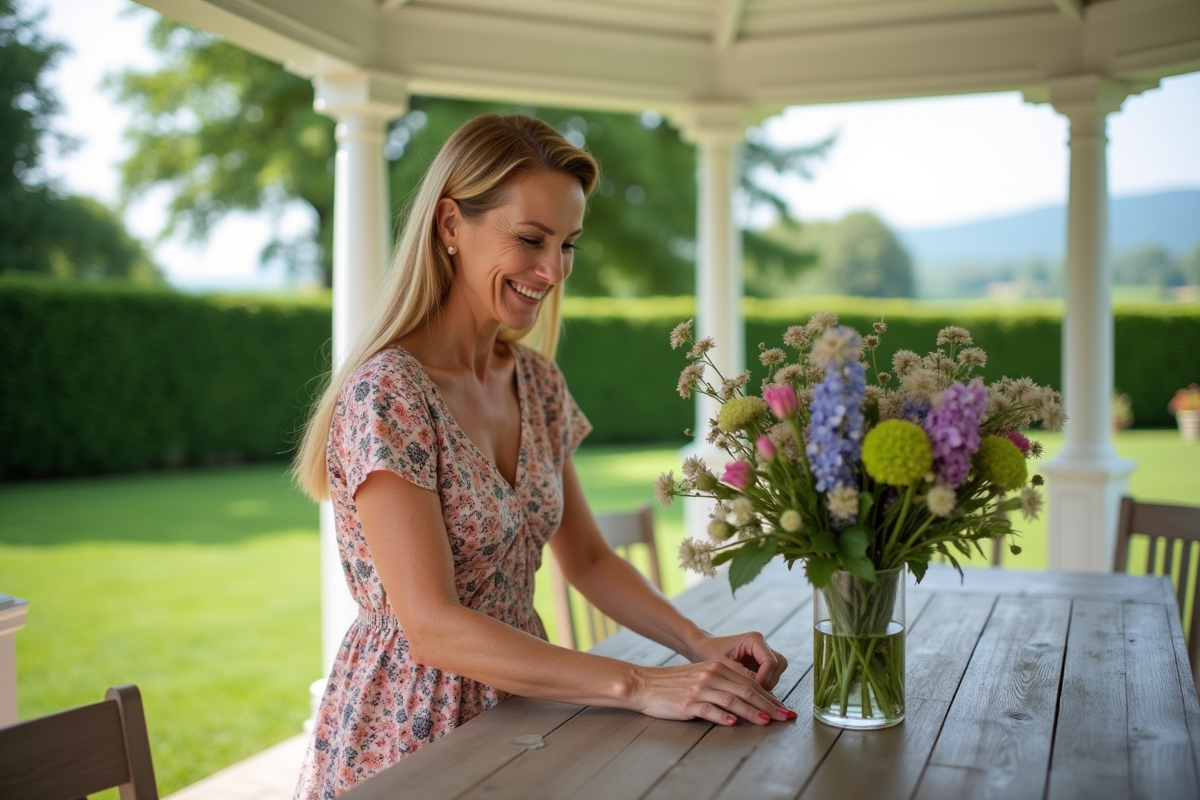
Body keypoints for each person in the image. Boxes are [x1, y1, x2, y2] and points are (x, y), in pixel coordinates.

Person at [291, 113, 793, 798]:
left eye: (566, 245)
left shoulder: (536, 381)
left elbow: (585, 558)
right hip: (411, 732)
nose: (553, 270)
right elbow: (432, 627)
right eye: (530, 239)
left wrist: (696, 644)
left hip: (527, 708)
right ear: (448, 227)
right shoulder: (389, 394)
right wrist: (641, 684)